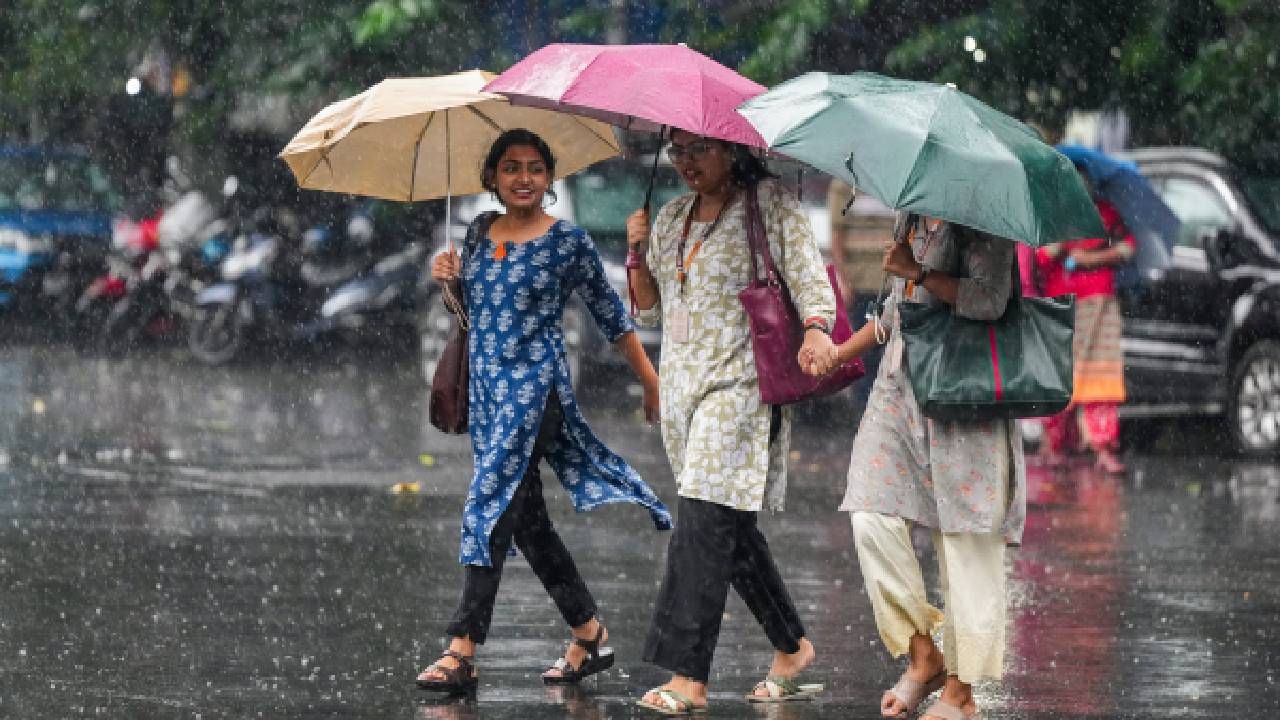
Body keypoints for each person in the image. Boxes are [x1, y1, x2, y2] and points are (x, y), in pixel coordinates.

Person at [418, 128, 673, 694]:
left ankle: (462, 648)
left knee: (488, 502)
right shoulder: (479, 233)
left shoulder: (568, 242)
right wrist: (449, 284)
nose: (524, 178)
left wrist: (650, 380)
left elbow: (611, 314)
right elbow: (472, 316)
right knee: (527, 523)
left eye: (535, 167)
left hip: (537, 396)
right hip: (488, 398)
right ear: (492, 178)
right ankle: (588, 631)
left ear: (550, 178)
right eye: (511, 168)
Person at [624, 130, 839, 714]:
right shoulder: (671, 216)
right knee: (726, 527)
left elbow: (810, 280)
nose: (687, 163)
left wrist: (818, 329)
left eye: (700, 150)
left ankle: (688, 676)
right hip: (683, 392)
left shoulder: (769, 204)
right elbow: (649, 308)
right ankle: (791, 648)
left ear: (731, 149)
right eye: (678, 152)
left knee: (699, 521)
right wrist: (637, 252)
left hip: (742, 387)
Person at [817, 213, 1026, 720]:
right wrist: (837, 353)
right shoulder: (909, 215)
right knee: (870, 515)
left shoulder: (982, 220)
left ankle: (961, 690)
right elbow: (893, 313)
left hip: (962, 394)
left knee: (966, 541)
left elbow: (989, 300)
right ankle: (924, 654)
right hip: (899, 392)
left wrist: (921, 273)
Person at [1035, 190, 1134, 474]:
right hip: (1062, 304)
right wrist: (1062, 242)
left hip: (1100, 303)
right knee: (1062, 374)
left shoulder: (1106, 212)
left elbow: (1128, 247)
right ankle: (1055, 445)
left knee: (1101, 374)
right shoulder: (1053, 216)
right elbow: (1039, 258)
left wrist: (1094, 258)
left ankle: (1103, 449)